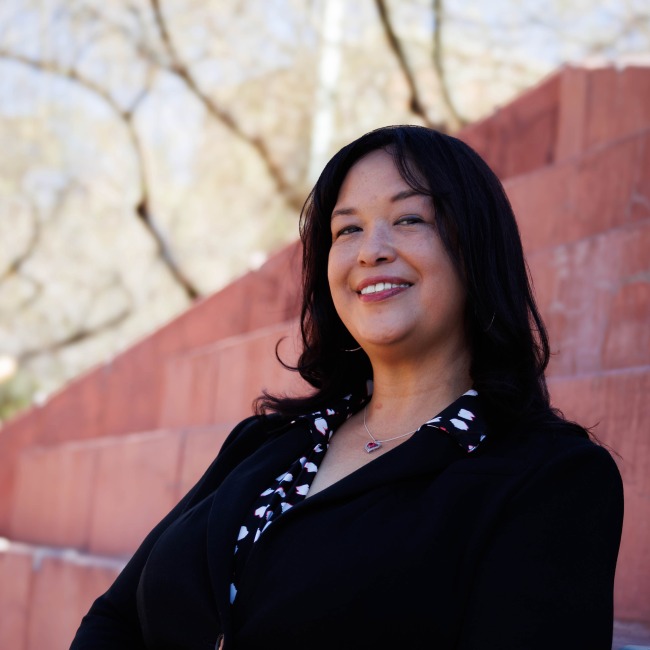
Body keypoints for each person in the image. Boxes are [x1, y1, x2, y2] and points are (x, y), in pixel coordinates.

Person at [70, 125, 623, 650]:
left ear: (476, 246)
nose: (370, 250)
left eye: (409, 219)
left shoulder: (552, 479)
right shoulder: (263, 443)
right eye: (347, 228)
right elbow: (117, 618)